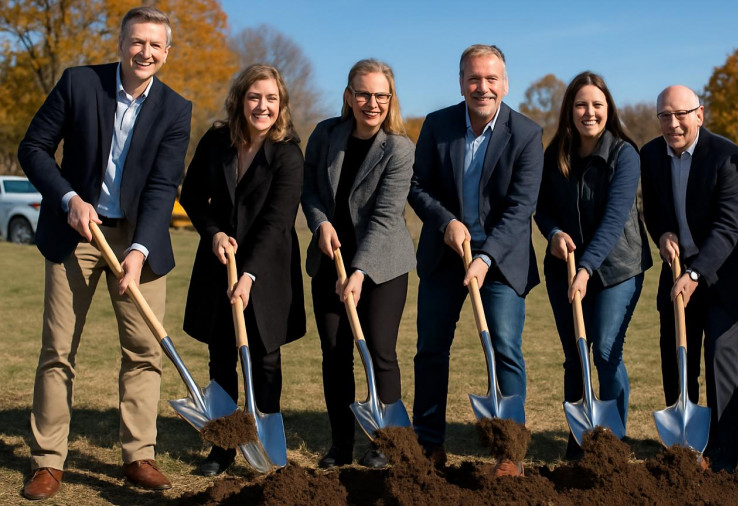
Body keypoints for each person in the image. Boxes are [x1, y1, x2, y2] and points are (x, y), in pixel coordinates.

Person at [16, 6, 191, 499]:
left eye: (156, 45)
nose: (146, 52)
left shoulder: (176, 109)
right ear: (120, 43)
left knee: (143, 351)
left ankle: (138, 456)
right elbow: (33, 148)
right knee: (58, 351)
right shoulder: (78, 84)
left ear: (167, 52)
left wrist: (138, 251)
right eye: (138, 42)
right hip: (77, 233)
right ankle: (48, 461)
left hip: (138, 240)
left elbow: (162, 185)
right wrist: (69, 199)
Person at [408, 44, 543, 477]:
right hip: (445, 256)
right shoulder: (437, 125)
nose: (482, 87)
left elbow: (521, 207)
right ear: (461, 81)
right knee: (430, 350)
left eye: (491, 79)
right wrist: (445, 221)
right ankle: (428, 444)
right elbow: (416, 185)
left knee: (504, 349)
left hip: (501, 262)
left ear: (505, 83)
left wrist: (485, 258)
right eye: (473, 78)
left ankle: (509, 452)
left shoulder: (526, 134)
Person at [180, 64, 305, 476]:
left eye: (271, 99)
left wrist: (249, 275)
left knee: (265, 359)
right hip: (219, 263)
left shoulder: (287, 153)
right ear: (240, 100)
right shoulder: (217, 141)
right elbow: (194, 195)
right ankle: (222, 447)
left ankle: (264, 441)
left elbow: (277, 220)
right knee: (221, 357)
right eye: (255, 97)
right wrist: (213, 232)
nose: (263, 106)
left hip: (266, 270)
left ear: (281, 104)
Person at [640, 85, 738, 472]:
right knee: (677, 356)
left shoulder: (727, 157)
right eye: (664, 115)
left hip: (725, 276)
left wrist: (695, 273)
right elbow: (654, 210)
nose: (672, 123)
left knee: (719, 359)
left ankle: (724, 456)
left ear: (699, 114)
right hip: (677, 273)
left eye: (681, 114)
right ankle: (687, 447)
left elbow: (730, 227)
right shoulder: (650, 155)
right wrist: (661, 234)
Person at [301, 59, 415, 470]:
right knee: (335, 353)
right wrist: (321, 223)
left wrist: (360, 272)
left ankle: (386, 441)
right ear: (348, 96)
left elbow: (386, 217)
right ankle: (341, 443)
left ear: (390, 99)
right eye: (363, 94)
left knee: (380, 351)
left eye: (380, 95)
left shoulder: (399, 148)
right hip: (330, 259)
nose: (372, 103)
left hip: (382, 265)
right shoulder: (325, 134)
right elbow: (309, 186)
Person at [534, 72, 651, 459]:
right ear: (569, 110)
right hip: (564, 267)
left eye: (597, 105)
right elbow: (542, 209)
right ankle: (579, 437)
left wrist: (586, 270)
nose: (589, 112)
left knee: (604, 353)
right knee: (575, 354)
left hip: (616, 268)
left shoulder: (624, 155)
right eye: (581, 104)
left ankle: (613, 441)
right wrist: (552, 233)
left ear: (608, 110)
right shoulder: (555, 156)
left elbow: (615, 219)